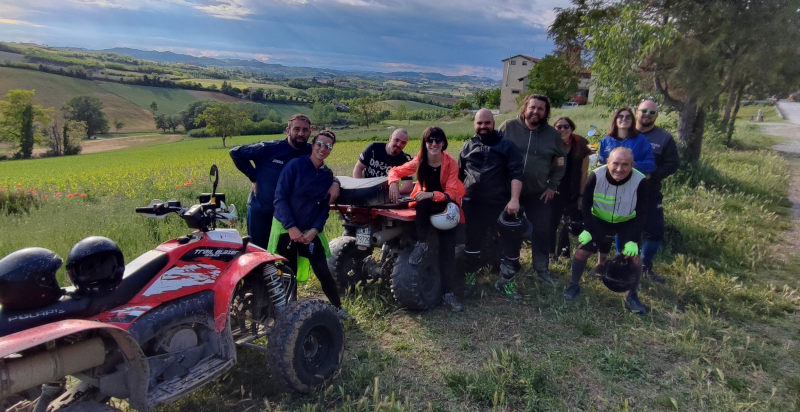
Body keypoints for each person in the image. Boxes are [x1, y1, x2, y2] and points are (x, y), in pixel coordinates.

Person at [230, 114, 340, 249]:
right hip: (263, 210)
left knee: (283, 258)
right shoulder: (269, 148)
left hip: (288, 217)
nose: (301, 133)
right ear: (288, 130)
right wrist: (254, 178)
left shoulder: (308, 151)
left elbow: (322, 169)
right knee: (259, 253)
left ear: (310, 133)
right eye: (296, 129)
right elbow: (236, 153)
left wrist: (335, 182)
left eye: (305, 130)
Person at [388, 127, 466, 312]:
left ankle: (448, 293)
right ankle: (421, 244)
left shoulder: (451, 163)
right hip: (424, 204)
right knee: (420, 203)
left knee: (447, 251)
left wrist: (431, 194)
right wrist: (392, 182)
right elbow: (396, 170)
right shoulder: (420, 159)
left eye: (438, 140)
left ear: (443, 143)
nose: (433, 144)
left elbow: (452, 192)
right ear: (425, 142)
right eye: (430, 140)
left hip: (446, 204)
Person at [563, 147, 649, 314]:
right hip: (599, 220)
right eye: (615, 163)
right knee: (581, 252)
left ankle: (631, 294)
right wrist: (588, 228)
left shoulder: (640, 181)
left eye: (625, 164)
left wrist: (632, 239)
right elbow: (586, 204)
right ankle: (573, 285)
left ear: (632, 164)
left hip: (627, 222)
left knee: (635, 258)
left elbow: (643, 211)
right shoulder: (596, 175)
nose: (619, 168)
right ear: (608, 162)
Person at [270, 130, 347, 319]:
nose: (323, 149)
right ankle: (288, 315)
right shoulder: (295, 166)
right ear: (313, 145)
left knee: (323, 271)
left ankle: (338, 308)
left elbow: (324, 208)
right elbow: (280, 198)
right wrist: (291, 227)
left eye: (328, 146)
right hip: (286, 229)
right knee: (288, 274)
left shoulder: (327, 176)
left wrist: (314, 230)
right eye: (320, 144)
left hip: (310, 232)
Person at [498, 94, 566, 286]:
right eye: (532, 107)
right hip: (510, 192)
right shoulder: (508, 127)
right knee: (510, 229)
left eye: (540, 109)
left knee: (542, 230)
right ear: (525, 107)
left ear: (546, 112)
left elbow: (561, 162)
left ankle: (542, 268)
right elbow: (494, 153)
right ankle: (508, 266)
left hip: (538, 191)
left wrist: (553, 185)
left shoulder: (552, 135)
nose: (535, 111)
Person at [459, 109, 524, 299]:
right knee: (471, 244)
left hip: (501, 204)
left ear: (493, 123)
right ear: (474, 124)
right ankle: (470, 279)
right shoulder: (467, 146)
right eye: (479, 123)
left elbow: (516, 174)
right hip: (472, 205)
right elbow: (459, 176)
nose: (483, 126)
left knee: (510, 245)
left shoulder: (507, 146)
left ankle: (506, 282)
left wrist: (514, 199)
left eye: (487, 123)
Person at [594, 107, 656, 272]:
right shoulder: (606, 140)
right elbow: (601, 162)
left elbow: (651, 164)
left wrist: (629, 166)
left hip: (631, 191)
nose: (624, 119)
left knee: (627, 228)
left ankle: (622, 262)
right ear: (615, 119)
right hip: (608, 191)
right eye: (620, 116)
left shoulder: (640, 140)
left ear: (632, 120)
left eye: (628, 116)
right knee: (605, 226)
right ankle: (601, 264)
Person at [636, 99, 680, 283]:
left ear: (656, 116)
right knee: (622, 229)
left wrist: (653, 175)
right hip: (623, 192)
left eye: (652, 112)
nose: (647, 114)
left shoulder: (664, 138)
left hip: (650, 191)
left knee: (655, 231)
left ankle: (645, 266)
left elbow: (673, 163)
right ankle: (623, 263)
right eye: (644, 110)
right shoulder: (626, 132)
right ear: (637, 112)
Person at [550, 117, 591, 259]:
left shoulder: (581, 146)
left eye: (566, 126)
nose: (562, 129)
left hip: (572, 191)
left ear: (572, 128)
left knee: (568, 223)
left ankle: (564, 253)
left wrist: (581, 196)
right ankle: (550, 254)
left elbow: (584, 173)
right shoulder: (550, 145)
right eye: (559, 127)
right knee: (552, 222)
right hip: (553, 190)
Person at [352, 128, 414, 194]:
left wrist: (392, 193)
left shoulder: (404, 160)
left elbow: (408, 186)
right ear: (390, 138)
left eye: (403, 143)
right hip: (367, 187)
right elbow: (358, 168)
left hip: (384, 192)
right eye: (396, 140)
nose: (399, 144)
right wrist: (360, 188)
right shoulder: (374, 148)